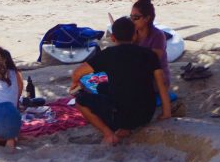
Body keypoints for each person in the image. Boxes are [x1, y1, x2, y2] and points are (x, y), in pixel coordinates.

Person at [71, 16, 170, 146]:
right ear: (134, 36)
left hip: (120, 117)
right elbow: (161, 84)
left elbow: (77, 73)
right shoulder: (149, 54)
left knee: (80, 100)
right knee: (102, 87)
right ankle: (124, 128)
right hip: (146, 114)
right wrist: (166, 113)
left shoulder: (108, 54)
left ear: (113, 38)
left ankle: (108, 134)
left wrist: (75, 84)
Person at [130, 0, 170, 89]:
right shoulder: (133, 32)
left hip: (157, 80)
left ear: (147, 18)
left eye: (135, 17)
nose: (132, 21)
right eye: (130, 17)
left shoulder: (158, 36)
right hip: (140, 76)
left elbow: (151, 63)